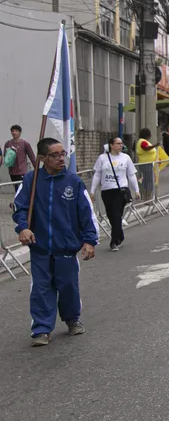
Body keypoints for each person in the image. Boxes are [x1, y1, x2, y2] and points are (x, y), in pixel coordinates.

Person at [12, 138, 98, 347]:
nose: (61, 158)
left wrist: (89, 240)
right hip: (40, 247)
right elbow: (19, 207)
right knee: (41, 288)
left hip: (66, 247)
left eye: (63, 154)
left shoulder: (73, 181)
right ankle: (41, 329)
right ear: (42, 159)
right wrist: (23, 227)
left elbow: (86, 213)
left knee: (68, 286)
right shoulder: (31, 181)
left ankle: (71, 319)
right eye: (55, 155)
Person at [90, 136, 140, 251]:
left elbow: (131, 175)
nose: (120, 145)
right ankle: (120, 235)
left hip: (121, 190)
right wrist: (92, 190)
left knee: (117, 214)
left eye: (121, 144)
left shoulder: (126, 158)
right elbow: (97, 174)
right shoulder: (102, 158)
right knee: (111, 216)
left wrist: (136, 189)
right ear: (111, 145)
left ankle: (114, 242)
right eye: (118, 143)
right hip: (107, 191)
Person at [135, 128, 159, 201]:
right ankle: (146, 198)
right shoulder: (143, 141)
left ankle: (146, 197)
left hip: (147, 164)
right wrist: (154, 145)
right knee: (148, 181)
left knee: (145, 180)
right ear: (147, 135)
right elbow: (145, 148)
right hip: (146, 164)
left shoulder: (141, 141)